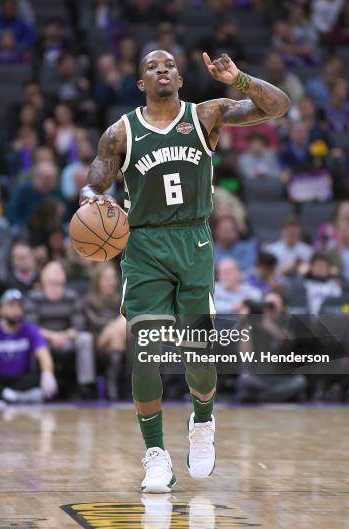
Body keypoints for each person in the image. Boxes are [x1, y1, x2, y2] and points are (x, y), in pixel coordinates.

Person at [80, 49, 290, 492]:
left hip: (193, 242)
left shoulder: (207, 115)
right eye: (152, 67)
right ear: (141, 84)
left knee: (199, 353)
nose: (162, 70)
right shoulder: (120, 132)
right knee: (145, 347)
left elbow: (279, 106)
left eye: (169, 65)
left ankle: (202, 421)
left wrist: (240, 79)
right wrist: (89, 199)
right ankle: (155, 455)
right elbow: (95, 180)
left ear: (180, 77)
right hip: (143, 245)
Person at [0, 289, 57, 403]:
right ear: (0, 309)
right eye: (11, 305)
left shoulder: (29, 329)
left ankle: (1, 395)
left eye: (19, 306)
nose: (16, 310)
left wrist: (48, 373)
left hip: (20, 378)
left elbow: (43, 353)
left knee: (39, 376)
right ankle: (8, 394)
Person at [24, 261, 96, 398]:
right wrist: (53, 336)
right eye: (53, 282)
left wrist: (64, 336)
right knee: (33, 341)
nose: (56, 286)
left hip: (67, 338)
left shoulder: (72, 296)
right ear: (44, 281)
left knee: (85, 339)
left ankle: (85, 386)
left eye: (59, 283)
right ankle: (34, 385)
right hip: (42, 340)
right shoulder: (33, 297)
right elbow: (30, 327)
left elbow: (79, 326)